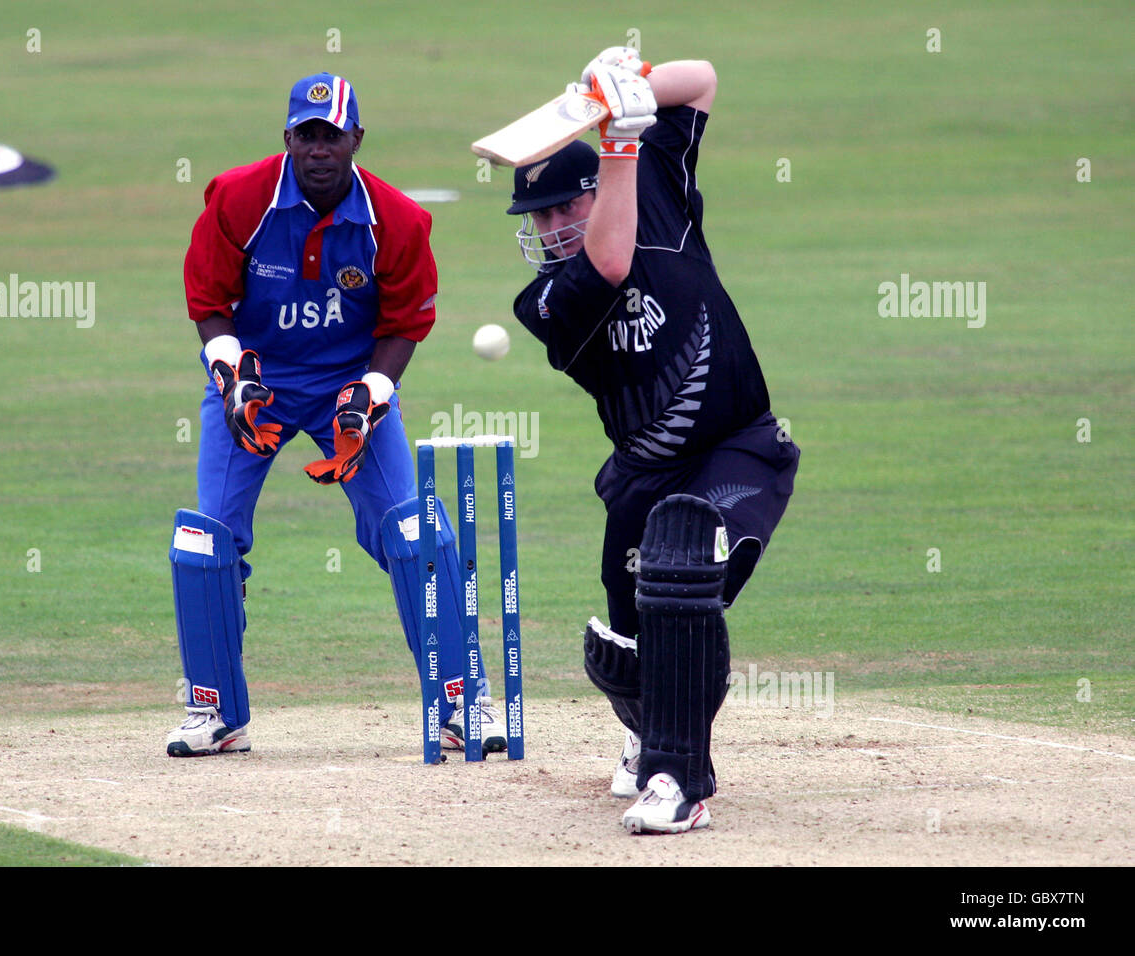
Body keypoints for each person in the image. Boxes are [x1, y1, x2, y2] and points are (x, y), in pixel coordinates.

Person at [503, 49, 800, 832]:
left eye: (568, 205)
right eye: (539, 217)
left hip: (739, 445)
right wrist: (619, 143)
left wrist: (618, 94)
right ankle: (650, 734)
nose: (553, 226)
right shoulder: (543, 306)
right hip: (641, 475)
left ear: (599, 187)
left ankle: (680, 781)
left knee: (681, 578)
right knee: (626, 647)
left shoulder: (655, 179)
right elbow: (609, 259)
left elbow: (700, 78)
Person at [167, 72, 506, 758]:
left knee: (412, 533)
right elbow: (208, 296)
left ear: (356, 138)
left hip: (347, 388)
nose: (319, 149)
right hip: (255, 382)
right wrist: (229, 371)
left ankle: (463, 698)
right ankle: (214, 711)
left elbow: (408, 319)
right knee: (208, 541)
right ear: (288, 137)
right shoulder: (239, 198)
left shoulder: (399, 221)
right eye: (306, 135)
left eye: (332, 136)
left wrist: (373, 391)